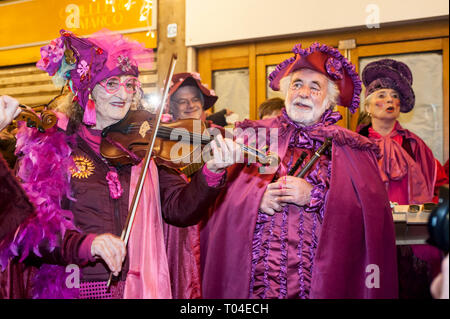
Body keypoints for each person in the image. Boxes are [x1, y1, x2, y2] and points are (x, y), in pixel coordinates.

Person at [0, 29, 241, 299]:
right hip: (76, 288)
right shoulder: (54, 145)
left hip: (138, 289)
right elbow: (29, 231)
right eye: (112, 83)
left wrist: (213, 171)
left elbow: (179, 209)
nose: (123, 94)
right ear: (86, 88)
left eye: (129, 84)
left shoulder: (142, 143)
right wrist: (86, 245)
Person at [199, 42, 398, 299]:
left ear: (329, 101)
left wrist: (315, 197)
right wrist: (254, 198)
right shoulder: (252, 136)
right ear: (286, 92)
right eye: (296, 84)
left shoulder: (353, 148)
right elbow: (213, 202)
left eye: (315, 87)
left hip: (321, 281)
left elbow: (372, 219)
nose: (303, 93)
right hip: (256, 286)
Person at [358, 59, 448, 299]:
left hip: (412, 240)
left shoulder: (415, 145)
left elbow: (439, 185)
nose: (390, 100)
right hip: (366, 236)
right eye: (382, 94)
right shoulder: (355, 145)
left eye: (395, 96)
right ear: (368, 106)